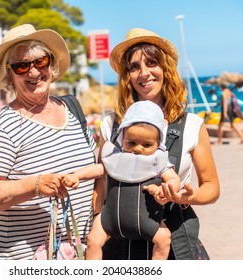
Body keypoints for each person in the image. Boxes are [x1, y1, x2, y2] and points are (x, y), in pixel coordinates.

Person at [93, 28, 220, 260]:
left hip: (174, 245)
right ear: (126, 76)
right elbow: (99, 187)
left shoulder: (191, 125)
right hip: (118, 247)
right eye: (134, 67)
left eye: (152, 63)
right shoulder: (110, 125)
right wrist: (94, 229)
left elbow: (211, 188)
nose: (144, 73)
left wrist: (185, 197)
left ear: (165, 69)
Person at [0, 24, 96, 260]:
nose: (33, 72)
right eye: (22, 66)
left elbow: (92, 174)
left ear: (51, 64)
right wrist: (35, 185)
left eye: (40, 62)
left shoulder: (72, 110)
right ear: (11, 74)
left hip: (78, 255)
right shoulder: (3, 125)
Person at [63, 101, 181, 260]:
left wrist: (167, 189)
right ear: (122, 137)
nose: (138, 149)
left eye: (147, 144)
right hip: (109, 219)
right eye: (131, 142)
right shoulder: (115, 158)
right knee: (93, 240)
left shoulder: (157, 161)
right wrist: (77, 175)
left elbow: (173, 178)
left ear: (158, 142)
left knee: (164, 238)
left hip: (147, 221)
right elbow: (99, 169)